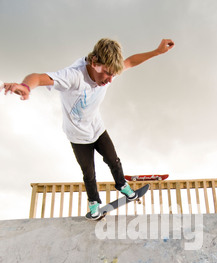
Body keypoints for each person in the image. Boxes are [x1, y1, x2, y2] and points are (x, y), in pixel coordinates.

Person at [4, 38, 175, 218]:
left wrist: (157, 52)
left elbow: (131, 61)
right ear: (94, 62)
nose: (109, 80)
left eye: (113, 76)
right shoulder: (72, 76)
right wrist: (25, 86)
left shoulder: (110, 69)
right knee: (89, 173)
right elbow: (38, 78)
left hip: (97, 128)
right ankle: (94, 203)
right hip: (77, 136)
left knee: (113, 159)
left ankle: (122, 185)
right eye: (107, 74)